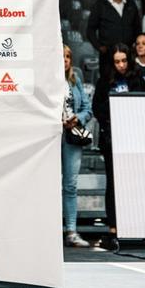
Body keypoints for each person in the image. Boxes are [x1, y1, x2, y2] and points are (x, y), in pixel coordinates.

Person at [91, 43, 145, 244]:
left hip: (133, 137)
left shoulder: (137, 79)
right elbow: (97, 108)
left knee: (134, 182)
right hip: (112, 138)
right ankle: (113, 225)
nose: (121, 65)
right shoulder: (104, 81)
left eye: (124, 60)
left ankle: (134, 224)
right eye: (117, 61)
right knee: (113, 184)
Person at [61, 45, 93, 248]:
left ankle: (71, 230)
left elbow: (87, 108)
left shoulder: (75, 80)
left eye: (68, 57)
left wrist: (77, 118)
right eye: (61, 56)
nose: (64, 60)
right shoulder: (47, 82)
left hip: (72, 136)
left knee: (71, 184)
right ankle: (51, 230)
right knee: (49, 185)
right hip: (51, 136)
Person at [86, 0, 141, 75]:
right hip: (107, 56)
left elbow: (137, 28)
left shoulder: (131, 5)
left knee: (129, 84)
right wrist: (99, 47)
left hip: (127, 56)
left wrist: (134, 46)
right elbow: (90, 30)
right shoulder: (100, 5)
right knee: (107, 85)